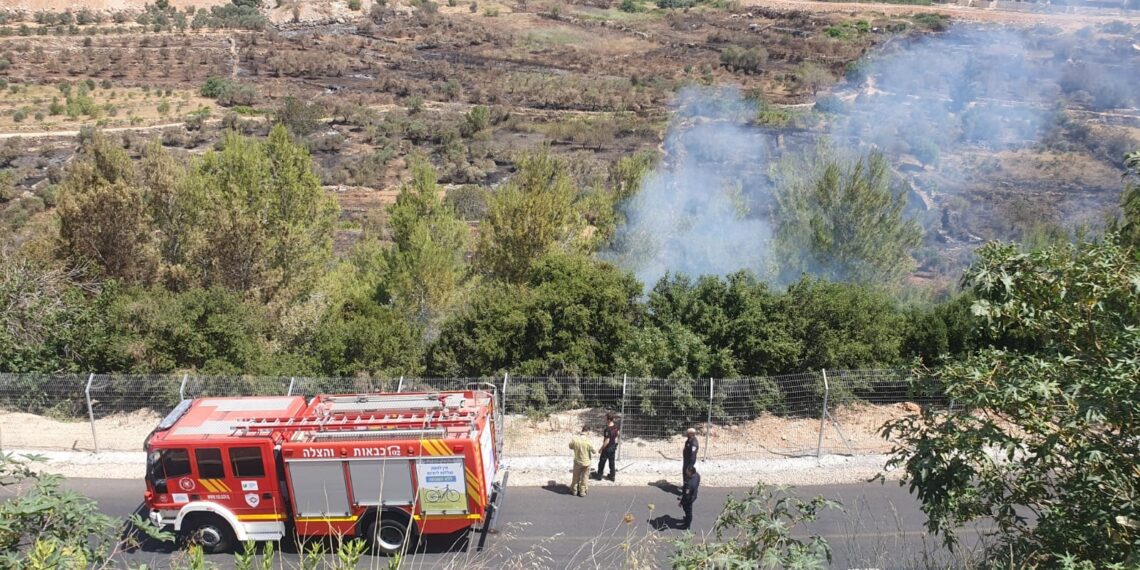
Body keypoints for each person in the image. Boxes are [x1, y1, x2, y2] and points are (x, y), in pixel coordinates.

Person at [596, 412, 619, 481]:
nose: (605, 419)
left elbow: (607, 441)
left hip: (607, 448)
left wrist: (601, 449)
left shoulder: (607, 429)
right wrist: (615, 443)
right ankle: (612, 476)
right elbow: (618, 435)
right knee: (612, 462)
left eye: (606, 418)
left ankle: (599, 475)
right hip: (613, 447)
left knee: (602, 462)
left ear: (608, 419)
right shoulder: (616, 427)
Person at [679, 465, 700, 530]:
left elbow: (686, 495)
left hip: (689, 499)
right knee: (687, 511)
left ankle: (687, 525)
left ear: (690, 472)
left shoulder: (689, 484)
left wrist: (681, 502)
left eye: (687, 471)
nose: (686, 472)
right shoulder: (697, 475)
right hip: (694, 494)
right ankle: (687, 519)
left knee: (688, 511)